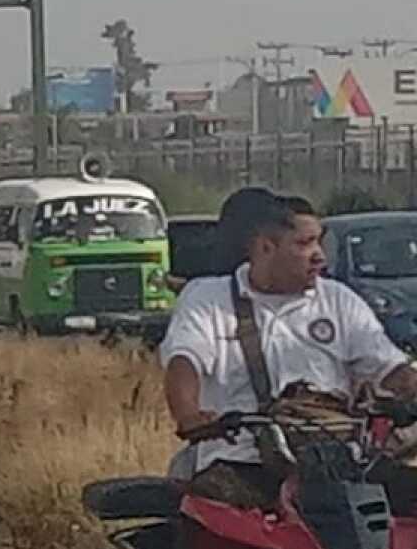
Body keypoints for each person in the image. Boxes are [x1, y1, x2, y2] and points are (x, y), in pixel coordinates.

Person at [161, 191, 417, 511]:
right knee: (209, 515)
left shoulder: (339, 299)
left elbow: (389, 368)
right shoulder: (207, 298)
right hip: (243, 462)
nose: (320, 256)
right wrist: (189, 415)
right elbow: (184, 361)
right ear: (265, 247)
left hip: (341, 465)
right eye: (304, 243)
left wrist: (409, 390)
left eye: (319, 242)